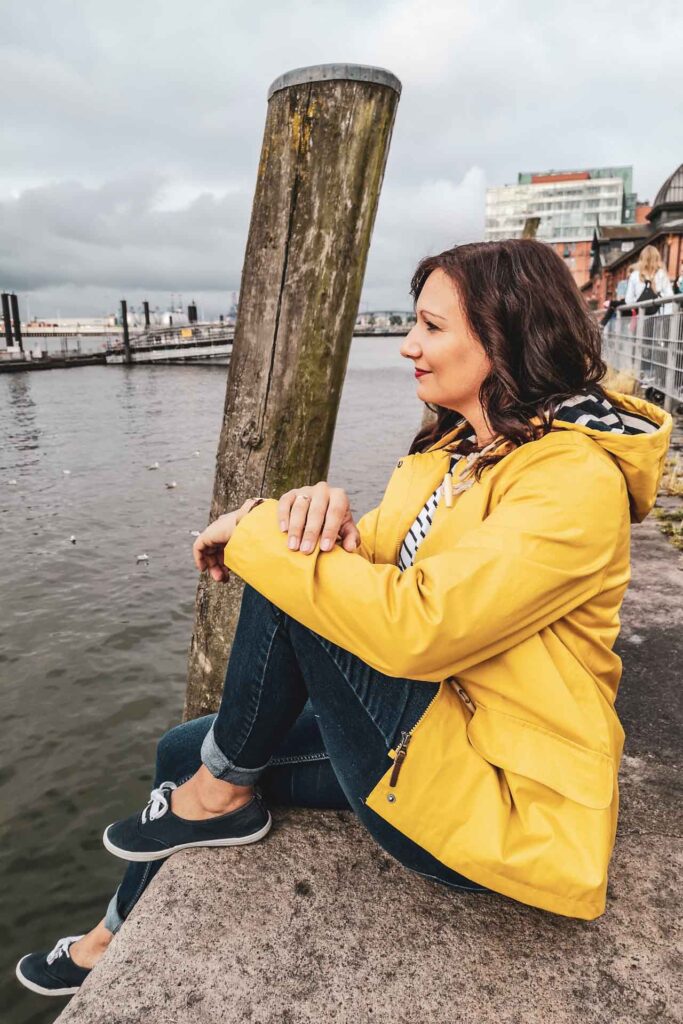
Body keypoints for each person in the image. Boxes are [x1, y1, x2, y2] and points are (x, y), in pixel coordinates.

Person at [16, 239, 672, 999]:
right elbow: (371, 569)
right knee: (179, 748)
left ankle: (220, 796)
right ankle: (111, 934)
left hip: (506, 796)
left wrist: (259, 530)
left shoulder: (570, 480)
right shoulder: (460, 452)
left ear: (505, 335)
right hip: (443, 725)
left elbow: (417, 626)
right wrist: (316, 510)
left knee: (283, 584)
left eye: (430, 327)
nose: (406, 345)